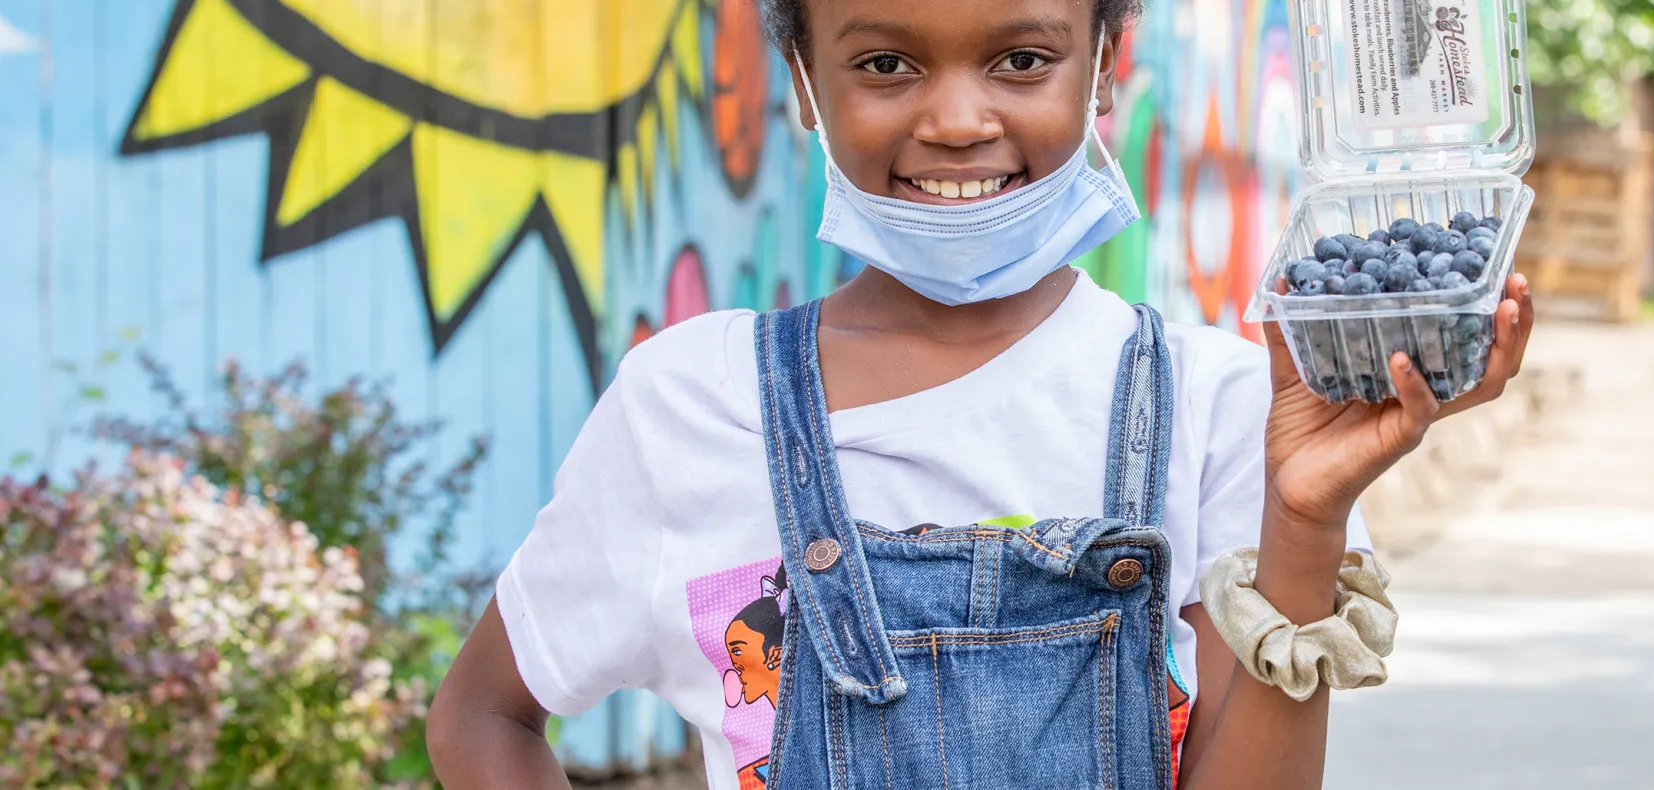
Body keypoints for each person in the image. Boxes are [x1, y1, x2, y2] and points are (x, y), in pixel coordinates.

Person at [424, 0, 1535, 787]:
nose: (956, 119)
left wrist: (1303, 522)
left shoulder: (1217, 404)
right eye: (885, 65)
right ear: (805, 80)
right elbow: (482, 715)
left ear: (1105, 63)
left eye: (1019, 60)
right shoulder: (691, 403)